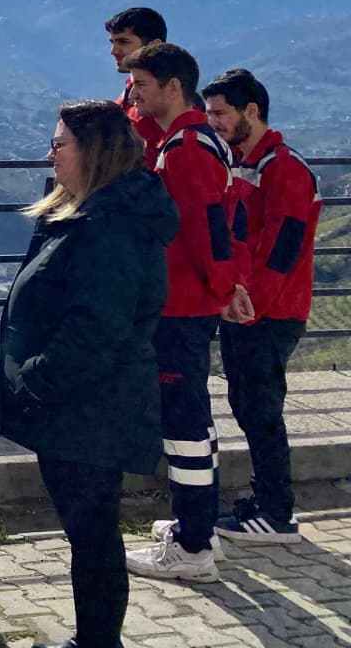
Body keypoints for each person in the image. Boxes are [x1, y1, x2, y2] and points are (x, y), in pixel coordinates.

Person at [0, 102, 176, 648]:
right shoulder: (90, 213)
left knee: (94, 535)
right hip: (81, 404)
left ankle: (98, 641)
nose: (50, 154)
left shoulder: (109, 228)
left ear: (93, 151)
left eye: (59, 144)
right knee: (90, 534)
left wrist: (35, 379)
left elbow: (97, 329)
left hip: (89, 407)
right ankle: (95, 638)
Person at [121, 42, 246, 581]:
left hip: (182, 304)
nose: (134, 94)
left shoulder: (186, 148)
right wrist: (227, 285)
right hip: (192, 300)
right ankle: (198, 528)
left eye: (142, 85)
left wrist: (223, 287)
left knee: (183, 423)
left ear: (173, 87)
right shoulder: (199, 139)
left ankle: (193, 547)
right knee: (193, 419)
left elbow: (205, 229)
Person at [202, 69, 321, 543]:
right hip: (247, 308)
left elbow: (283, 248)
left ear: (251, 111)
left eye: (220, 113)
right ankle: (266, 503)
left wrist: (250, 305)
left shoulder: (283, 168)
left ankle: (275, 512)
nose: (213, 123)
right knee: (248, 404)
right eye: (210, 114)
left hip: (268, 313)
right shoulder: (245, 163)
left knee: (261, 409)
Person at [105, 6, 168, 166]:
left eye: (123, 42)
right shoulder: (129, 89)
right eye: (112, 42)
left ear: (154, 46)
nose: (113, 51)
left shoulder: (170, 97)